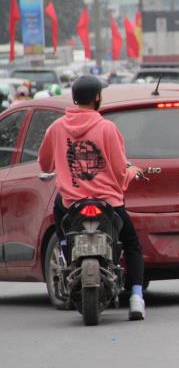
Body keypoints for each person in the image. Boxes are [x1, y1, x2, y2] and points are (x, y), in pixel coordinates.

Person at [38, 75, 147, 321]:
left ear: (75, 98)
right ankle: (136, 297)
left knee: (60, 221)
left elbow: (45, 164)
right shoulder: (108, 128)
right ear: (97, 97)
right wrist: (131, 173)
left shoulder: (56, 128)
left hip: (71, 204)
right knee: (131, 244)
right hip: (108, 203)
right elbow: (119, 170)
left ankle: (68, 254)